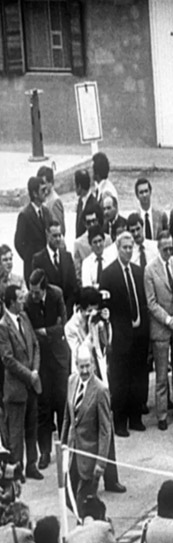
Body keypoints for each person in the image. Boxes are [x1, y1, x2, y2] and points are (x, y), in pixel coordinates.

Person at [100, 232, 149, 436]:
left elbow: (144, 301)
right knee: (120, 380)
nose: (128, 251)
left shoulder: (139, 271)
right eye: (124, 248)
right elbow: (104, 307)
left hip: (139, 334)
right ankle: (120, 422)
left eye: (131, 248)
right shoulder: (108, 274)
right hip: (120, 336)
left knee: (138, 378)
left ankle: (135, 418)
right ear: (118, 249)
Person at [25, 270, 69, 472]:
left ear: (44, 288)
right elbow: (30, 331)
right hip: (41, 362)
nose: (33, 296)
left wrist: (46, 332)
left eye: (36, 292)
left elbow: (64, 325)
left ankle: (65, 447)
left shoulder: (56, 294)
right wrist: (50, 330)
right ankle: (45, 452)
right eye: (31, 292)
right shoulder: (27, 301)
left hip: (59, 359)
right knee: (44, 407)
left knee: (62, 403)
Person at [61, 345, 112, 516]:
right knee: (68, 498)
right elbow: (67, 419)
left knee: (83, 502)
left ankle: (85, 532)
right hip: (73, 454)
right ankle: (89, 525)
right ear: (76, 365)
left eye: (87, 366)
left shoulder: (100, 390)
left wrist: (101, 463)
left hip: (90, 459)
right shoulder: (71, 381)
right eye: (81, 366)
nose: (84, 370)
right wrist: (62, 446)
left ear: (93, 365)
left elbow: (105, 431)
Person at [145, 230, 173, 429]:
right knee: (161, 374)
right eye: (165, 248)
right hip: (161, 328)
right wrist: (167, 319)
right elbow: (151, 303)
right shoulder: (150, 270)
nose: (169, 252)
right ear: (158, 248)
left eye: (171, 248)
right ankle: (162, 415)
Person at [0, 284, 42, 481]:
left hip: (31, 384)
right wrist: (28, 374)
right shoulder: (3, 326)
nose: (23, 301)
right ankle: (17, 469)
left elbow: (34, 344)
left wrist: (35, 371)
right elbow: (7, 359)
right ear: (10, 302)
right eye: (19, 299)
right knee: (16, 432)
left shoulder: (24, 318)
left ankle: (32, 465)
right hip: (16, 388)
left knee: (31, 426)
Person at [14, 176, 51, 283]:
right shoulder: (25, 215)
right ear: (34, 194)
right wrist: (29, 258)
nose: (46, 192)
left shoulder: (46, 212)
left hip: (47, 266)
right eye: (43, 190)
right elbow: (18, 243)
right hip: (32, 268)